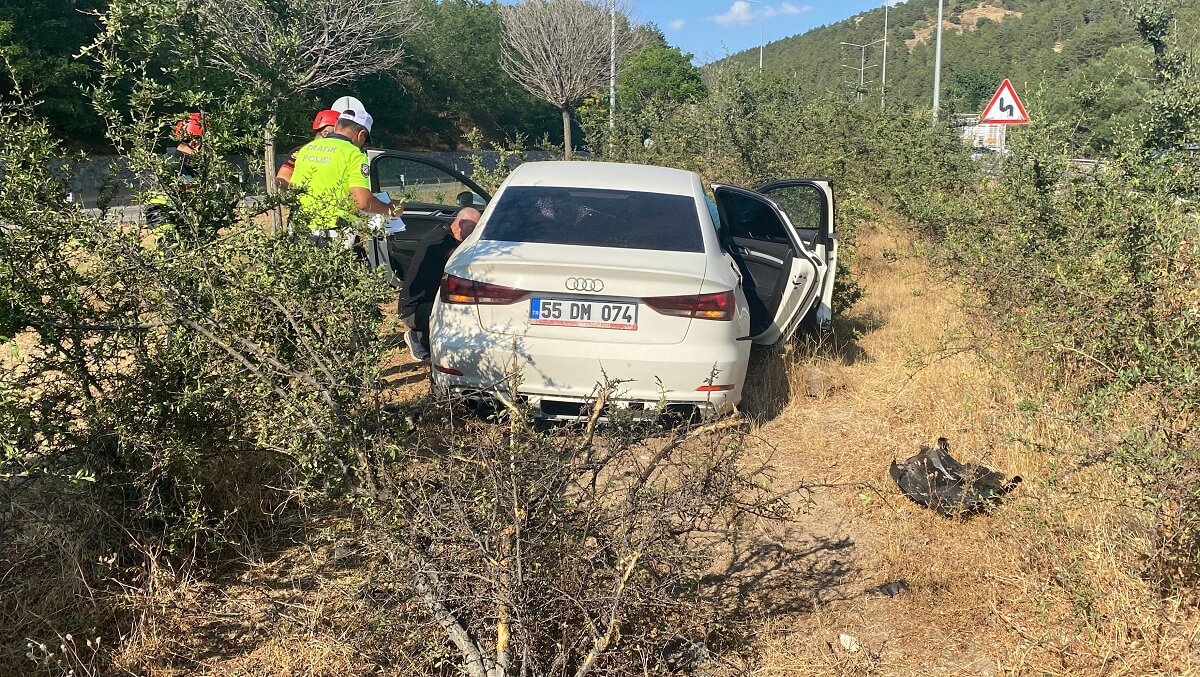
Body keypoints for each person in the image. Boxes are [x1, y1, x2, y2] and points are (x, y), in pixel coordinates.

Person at [288, 104, 400, 245]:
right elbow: (362, 202)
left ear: (336, 126)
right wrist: (391, 209)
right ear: (361, 134)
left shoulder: (306, 149)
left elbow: (293, 188)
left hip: (299, 230)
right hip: (332, 235)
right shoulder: (354, 154)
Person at [399, 207, 481, 361]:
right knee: (461, 311)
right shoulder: (444, 244)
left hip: (422, 303)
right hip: (414, 311)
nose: (475, 234)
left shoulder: (443, 232)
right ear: (460, 224)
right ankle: (418, 338)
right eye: (473, 229)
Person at [145, 112, 203, 239]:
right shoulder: (171, 167)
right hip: (168, 228)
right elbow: (156, 209)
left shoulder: (186, 166)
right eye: (206, 144)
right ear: (194, 143)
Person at [275, 109, 340, 190]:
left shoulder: (300, 151)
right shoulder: (299, 152)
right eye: (339, 133)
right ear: (325, 133)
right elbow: (283, 177)